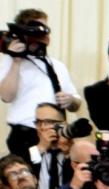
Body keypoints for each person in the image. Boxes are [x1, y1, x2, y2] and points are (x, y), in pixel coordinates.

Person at [0, 9, 81, 156]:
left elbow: (76, 105)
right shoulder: (11, 61)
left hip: (57, 136)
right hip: (26, 135)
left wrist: (71, 100)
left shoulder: (57, 65)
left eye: (46, 29)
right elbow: (6, 96)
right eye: (37, 29)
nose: (44, 34)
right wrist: (16, 60)